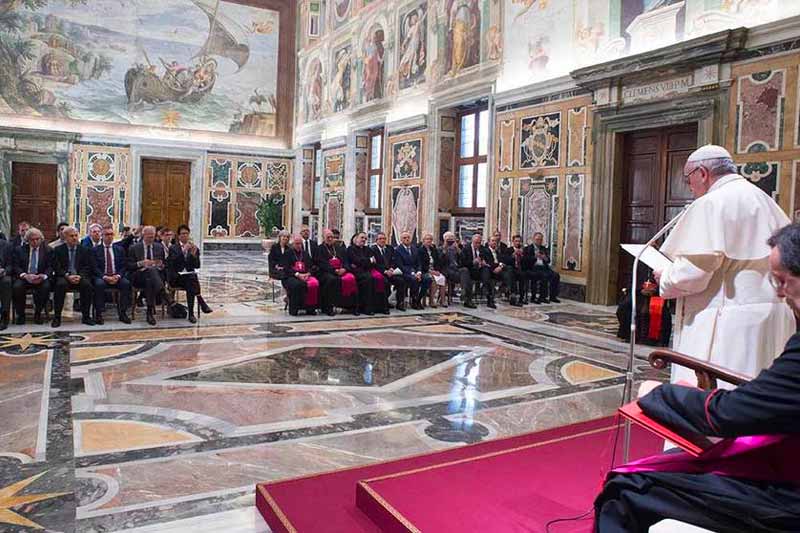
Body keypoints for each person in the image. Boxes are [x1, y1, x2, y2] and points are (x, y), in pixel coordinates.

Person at [594, 222, 800, 533]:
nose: (780, 293)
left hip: (789, 499)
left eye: (783, 281)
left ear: (699, 173)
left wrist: (657, 395)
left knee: (626, 489)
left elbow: (729, 415)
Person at [654, 145, 793, 384]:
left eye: (689, 178)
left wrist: (665, 276)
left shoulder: (712, 203)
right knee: (757, 389)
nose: (690, 186)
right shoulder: (764, 199)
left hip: (727, 320)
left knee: (719, 393)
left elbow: (692, 275)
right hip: (771, 315)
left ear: (702, 173)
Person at [127, 226, 172, 326]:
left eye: (152, 237)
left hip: (153, 278)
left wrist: (160, 265)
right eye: (148, 237)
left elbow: (163, 264)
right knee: (150, 274)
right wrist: (141, 263)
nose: (151, 239)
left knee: (150, 279)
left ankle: (149, 313)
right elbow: (129, 266)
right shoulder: (134, 248)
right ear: (143, 235)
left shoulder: (158, 247)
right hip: (138, 276)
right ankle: (164, 294)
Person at [167, 224, 211, 323]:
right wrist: (183, 250)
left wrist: (193, 255)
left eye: (186, 233)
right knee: (192, 279)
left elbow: (197, 266)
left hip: (188, 279)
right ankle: (200, 301)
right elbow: (174, 263)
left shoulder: (194, 248)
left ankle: (191, 313)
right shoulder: (173, 248)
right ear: (178, 236)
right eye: (182, 234)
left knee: (191, 279)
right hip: (176, 277)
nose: (185, 236)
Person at [52, 226, 95, 327]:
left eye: (76, 235)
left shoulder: (84, 250)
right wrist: (67, 276)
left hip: (79, 276)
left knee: (87, 285)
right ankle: (57, 317)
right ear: (65, 237)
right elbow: (56, 267)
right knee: (60, 285)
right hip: (64, 276)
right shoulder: (58, 250)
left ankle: (86, 317)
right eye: (71, 236)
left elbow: (87, 266)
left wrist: (80, 276)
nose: (74, 238)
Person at [12, 228, 52, 325]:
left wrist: (43, 276)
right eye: (32, 239)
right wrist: (25, 275)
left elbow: (50, 266)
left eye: (37, 239)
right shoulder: (19, 250)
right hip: (25, 277)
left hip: (40, 277)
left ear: (41, 239)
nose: (35, 241)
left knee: (46, 287)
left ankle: (38, 313)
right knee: (17, 287)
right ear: (27, 240)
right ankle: (21, 315)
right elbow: (16, 266)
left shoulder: (48, 250)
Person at [92, 224, 131, 325]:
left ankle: (122, 313)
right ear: (102, 236)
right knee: (99, 284)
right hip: (102, 276)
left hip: (116, 276)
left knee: (126, 283)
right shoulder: (95, 250)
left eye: (111, 234)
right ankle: (99, 314)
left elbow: (123, 266)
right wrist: (105, 277)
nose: (109, 236)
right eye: (107, 234)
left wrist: (118, 276)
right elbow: (94, 267)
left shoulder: (119, 249)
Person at [314, 229, 356, 316]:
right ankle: (327, 307)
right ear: (323, 238)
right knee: (331, 280)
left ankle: (349, 306)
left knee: (351, 278)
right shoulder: (319, 249)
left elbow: (346, 260)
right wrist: (334, 270)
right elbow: (321, 263)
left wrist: (344, 269)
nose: (330, 239)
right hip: (325, 272)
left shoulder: (339, 248)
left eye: (331, 237)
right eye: (328, 237)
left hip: (341, 271)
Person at [282, 235, 319, 316]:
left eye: (300, 244)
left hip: (305, 275)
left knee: (314, 284)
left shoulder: (305, 254)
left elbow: (311, 266)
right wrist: (298, 275)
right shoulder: (288, 253)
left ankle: (310, 309)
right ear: (293, 244)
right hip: (290, 277)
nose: (298, 245)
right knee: (297, 285)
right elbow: (286, 268)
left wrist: (308, 274)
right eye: (296, 243)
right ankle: (294, 309)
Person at [371, 232, 405, 312]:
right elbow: (374, 264)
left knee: (401, 281)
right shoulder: (373, 249)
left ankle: (400, 303)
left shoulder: (390, 248)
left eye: (384, 239)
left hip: (391, 272)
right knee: (385, 283)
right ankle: (384, 304)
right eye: (380, 239)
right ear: (376, 240)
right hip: (380, 273)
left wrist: (391, 269)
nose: (382, 240)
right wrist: (385, 271)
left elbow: (394, 260)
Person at [459, 233, 493, 309]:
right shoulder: (466, 249)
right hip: (469, 270)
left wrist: (485, 263)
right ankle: (468, 299)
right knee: (466, 273)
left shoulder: (484, 249)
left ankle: (489, 297)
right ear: (472, 241)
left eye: (479, 243)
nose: (477, 245)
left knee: (486, 271)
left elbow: (490, 261)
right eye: (476, 243)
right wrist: (472, 262)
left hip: (480, 270)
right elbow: (462, 263)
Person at [347, 232, 377, 315]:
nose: (364, 240)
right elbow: (355, 260)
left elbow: (373, 262)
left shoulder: (367, 249)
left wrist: (363, 262)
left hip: (366, 271)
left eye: (365, 238)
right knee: (368, 279)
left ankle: (369, 307)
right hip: (355, 272)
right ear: (356, 238)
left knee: (372, 279)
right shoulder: (351, 249)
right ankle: (359, 308)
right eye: (362, 237)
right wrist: (368, 260)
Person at [525, 232, 561, 303]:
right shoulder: (528, 248)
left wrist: (545, 258)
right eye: (537, 239)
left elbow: (548, 260)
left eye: (541, 240)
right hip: (533, 268)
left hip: (544, 268)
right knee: (544, 276)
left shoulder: (544, 248)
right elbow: (526, 260)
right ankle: (542, 297)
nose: (539, 241)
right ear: (533, 239)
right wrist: (535, 257)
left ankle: (553, 296)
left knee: (556, 275)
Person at [394, 231, 423, 310]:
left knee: (427, 279)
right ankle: (402, 302)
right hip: (404, 272)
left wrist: (419, 272)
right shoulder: (398, 250)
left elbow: (419, 263)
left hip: (415, 272)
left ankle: (417, 300)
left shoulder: (414, 248)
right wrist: (413, 273)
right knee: (414, 279)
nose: (407, 239)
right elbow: (400, 265)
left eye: (408, 237)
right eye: (404, 238)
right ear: (401, 240)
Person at [419, 233, 443, 308]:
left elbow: (438, 262)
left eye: (430, 239)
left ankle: (442, 300)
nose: (429, 240)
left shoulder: (434, 250)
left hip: (434, 270)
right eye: (427, 239)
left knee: (442, 278)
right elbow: (421, 264)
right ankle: (431, 300)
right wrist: (430, 271)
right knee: (432, 279)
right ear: (423, 241)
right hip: (425, 271)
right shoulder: (420, 250)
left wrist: (437, 270)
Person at [440, 232, 461, 307]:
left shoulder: (456, 248)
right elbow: (440, 261)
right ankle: (447, 294)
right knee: (449, 273)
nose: (450, 240)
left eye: (452, 238)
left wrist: (458, 249)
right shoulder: (441, 248)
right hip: (445, 268)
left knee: (465, 272)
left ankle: (465, 296)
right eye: (448, 238)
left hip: (456, 268)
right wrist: (444, 249)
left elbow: (462, 259)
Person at [509, 235, 529, 305]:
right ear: (513, 242)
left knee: (523, 275)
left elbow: (527, 262)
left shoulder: (524, 251)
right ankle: (513, 296)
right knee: (513, 275)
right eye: (516, 241)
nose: (518, 243)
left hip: (521, 269)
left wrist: (522, 256)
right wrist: (513, 255)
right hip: (512, 269)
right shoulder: (509, 250)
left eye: (519, 241)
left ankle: (522, 297)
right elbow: (506, 261)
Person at [0, 238, 12, 329]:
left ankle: (4, 316)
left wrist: (4, 270)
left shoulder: (6, 245)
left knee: (6, 282)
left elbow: (10, 264)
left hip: (2, 274)